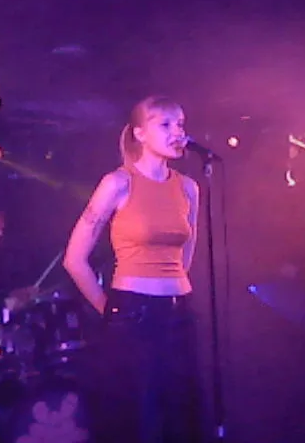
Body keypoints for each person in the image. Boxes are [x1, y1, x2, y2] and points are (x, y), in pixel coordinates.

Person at [63, 95, 202, 442]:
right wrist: (110, 310)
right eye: (165, 124)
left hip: (180, 313)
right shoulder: (118, 183)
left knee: (182, 417)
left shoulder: (188, 187)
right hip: (135, 313)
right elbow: (74, 259)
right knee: (142, 420)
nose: (177, 132)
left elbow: (186, 254)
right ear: (140, 133)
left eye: (180, 124)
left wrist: (174, 289)